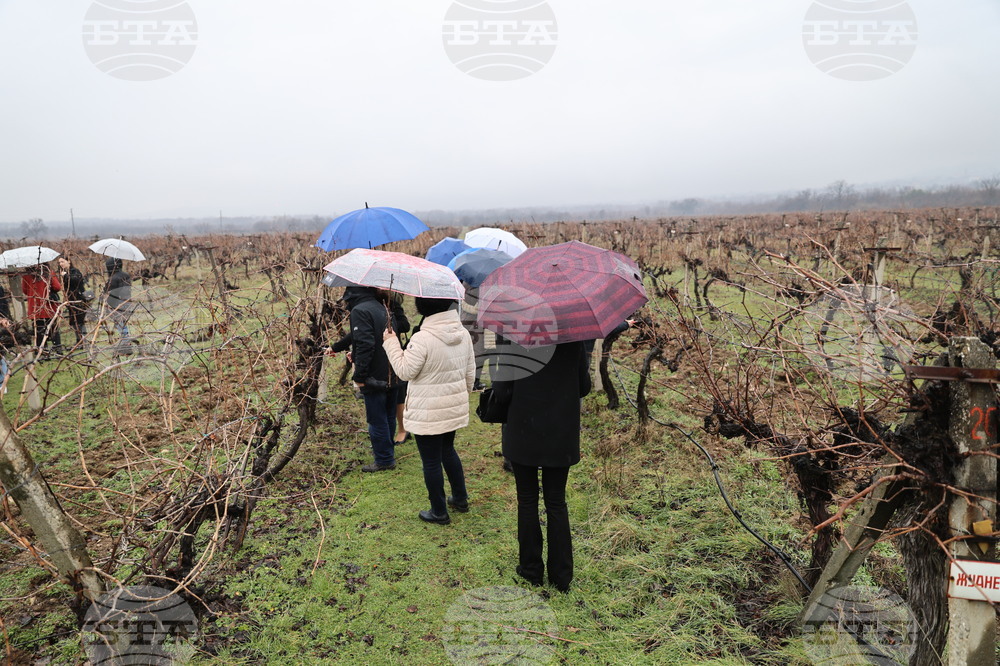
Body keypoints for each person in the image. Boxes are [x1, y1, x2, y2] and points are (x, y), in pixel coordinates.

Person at [492, 340, 592, 592]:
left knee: (527, 500)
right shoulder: (573, 339)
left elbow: (501, 390)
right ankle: (561, 576)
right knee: (556, 501)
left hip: (523, 430)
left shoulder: (515, 337)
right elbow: (584, 386)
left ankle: (531, 570)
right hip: (561, 432)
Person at [383, 296, 475, 524]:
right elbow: (470, 373)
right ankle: (460, 499)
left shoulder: (423, 338)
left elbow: (404, 371)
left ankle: (439, 511)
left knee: (431, 461)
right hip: (452, 407)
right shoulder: (462, 333)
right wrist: (460, 397)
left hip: (427, 411)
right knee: (448, 451)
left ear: (423, 307)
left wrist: (391, 343)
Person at [339, 286, 401, 472]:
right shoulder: (383, 307)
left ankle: (383, 460)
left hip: (374, 373)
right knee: (389, 414)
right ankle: (387, 451)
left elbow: (365, 343)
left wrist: (360, 375)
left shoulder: (360, 310)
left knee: (376, 418)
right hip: (392, 369)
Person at [21, 263, 62, 353]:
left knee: (39, 331)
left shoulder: (27, 275)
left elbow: (25, 290)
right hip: (49, 306)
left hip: (35, 307)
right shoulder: (49, 273)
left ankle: (42, 352)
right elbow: (57, 287)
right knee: (53, 329)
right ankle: (58, 350)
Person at [57, 256, 89, 345]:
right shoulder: (64, 272)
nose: (60, 264)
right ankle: (79, 340)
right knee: (74, 322)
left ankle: (82, 341)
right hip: (71, 301)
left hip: (78, 300)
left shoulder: (75, 271)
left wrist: (66, 276)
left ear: (69, 261)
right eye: (59, 262)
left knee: (79, 321)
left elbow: (76, 280)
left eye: (62, 261)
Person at [104, 258, 133, 346]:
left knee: (120, 323)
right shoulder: (125, 275)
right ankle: (125, 340)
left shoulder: (113, 278)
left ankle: (125, 342)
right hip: (127, 301)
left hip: (118, 303)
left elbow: (110, 292)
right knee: (122, 322)